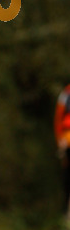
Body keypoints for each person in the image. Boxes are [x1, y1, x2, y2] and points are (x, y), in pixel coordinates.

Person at [54, 83, 70, 218]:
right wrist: (59, 140)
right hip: (67, 138)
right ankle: (66, 213)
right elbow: (58, 117)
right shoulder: (66, 93)